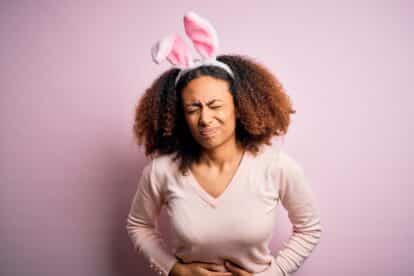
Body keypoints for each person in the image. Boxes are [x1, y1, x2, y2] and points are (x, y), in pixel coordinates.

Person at [126, 11, 322, 276]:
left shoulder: (275, 166)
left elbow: (309, 228)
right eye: (193, 108)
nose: (205, 119)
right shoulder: (161, 171)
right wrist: (175, 270)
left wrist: (272, 274)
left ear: (239, 108)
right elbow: (138, 225)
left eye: (215, 105)